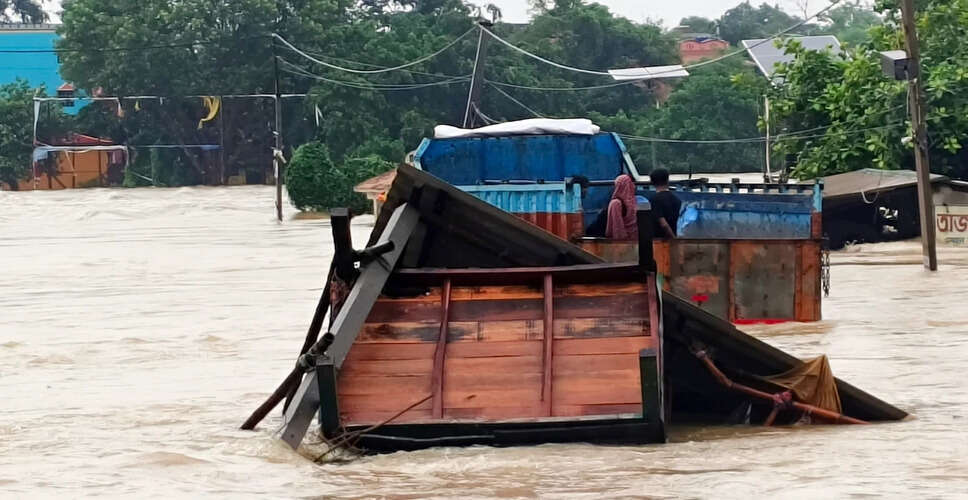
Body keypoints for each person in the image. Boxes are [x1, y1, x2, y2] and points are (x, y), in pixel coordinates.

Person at [648, 167, 681, 238]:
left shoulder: (654, 200)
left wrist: (673, 239)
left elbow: (663, 224)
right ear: (667, 180)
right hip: (672, 238)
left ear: (652, 182)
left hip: (660, 241)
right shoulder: (676, 199)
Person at [604, 174, 639, 240]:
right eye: (631, 183)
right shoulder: (616, 204)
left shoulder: (634, 201)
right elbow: (617, 229)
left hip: (635, 242)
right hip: (624, 243)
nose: (634, 186)